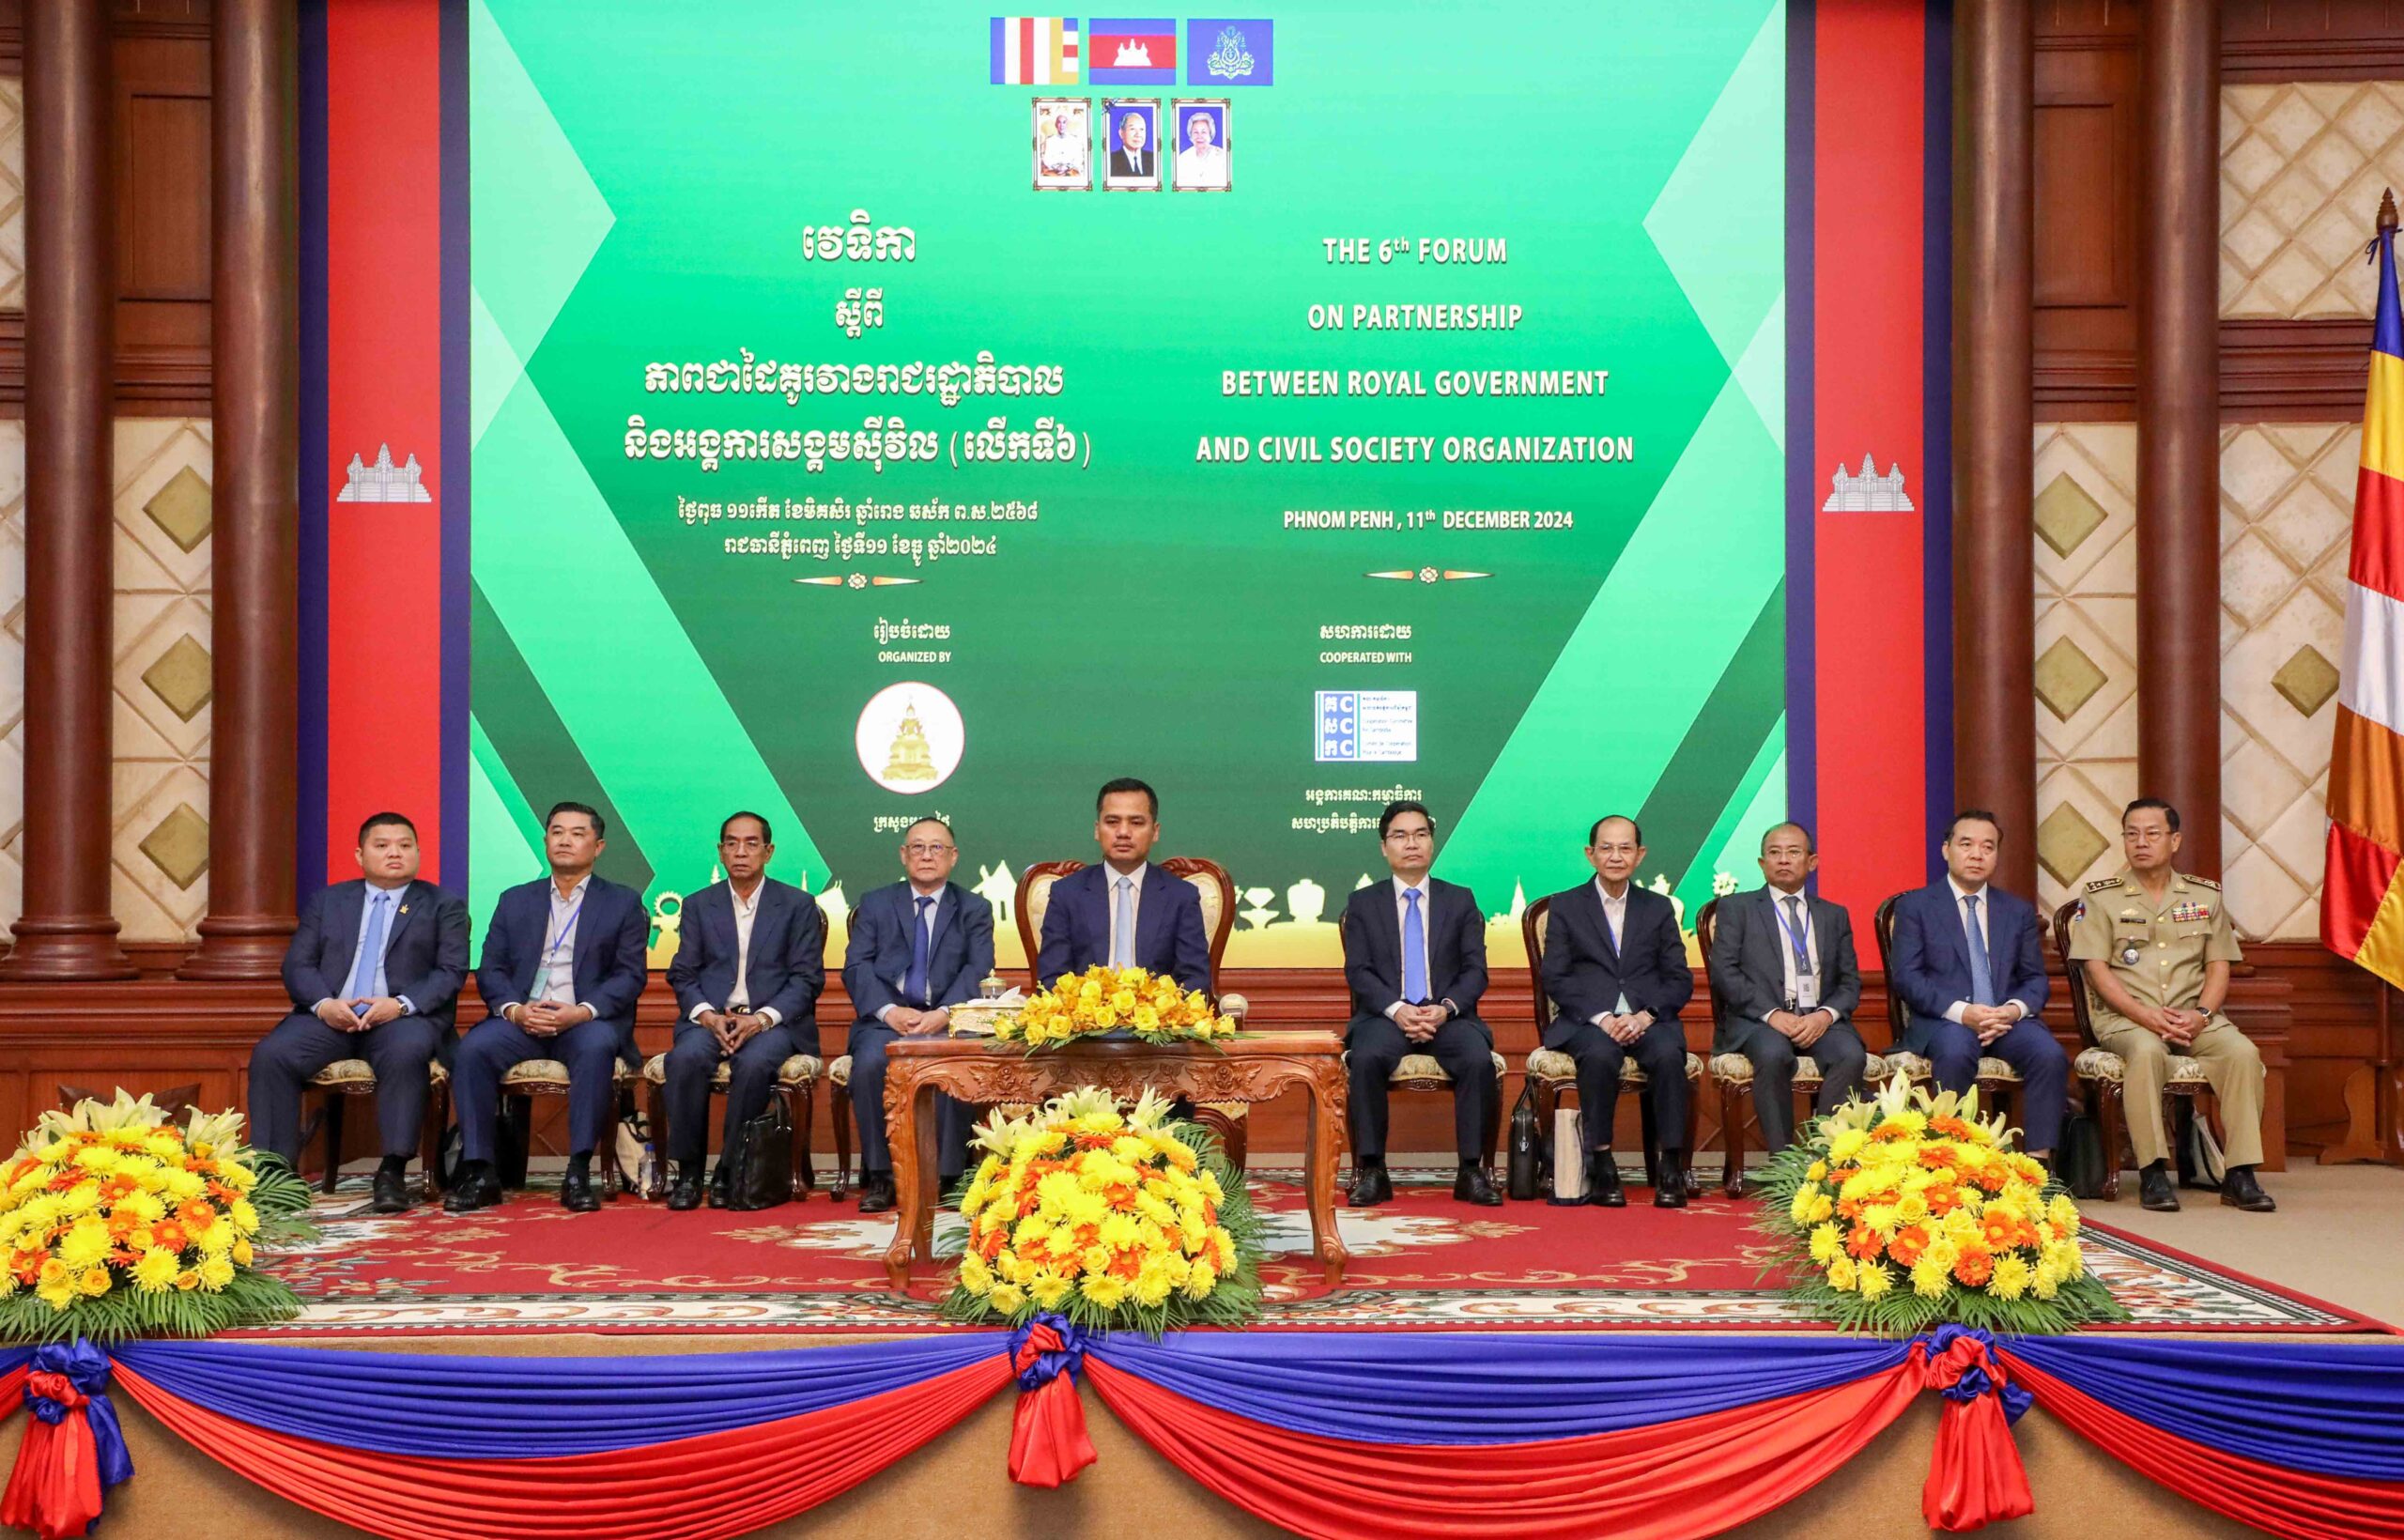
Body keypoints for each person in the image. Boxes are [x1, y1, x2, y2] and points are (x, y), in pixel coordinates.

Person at [246, 813, 468, 1212]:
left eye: (405, 845)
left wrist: (399, 1004)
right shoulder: (329, 901)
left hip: (402, 1018)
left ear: (418, 853)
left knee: (406, 1051)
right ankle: (276, 1175)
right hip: (332, 1017)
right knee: (272, 1054)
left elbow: (450, 972)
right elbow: (298, 965)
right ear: (360, 855)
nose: (395, 853)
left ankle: (392, 1170)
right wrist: (325, 1005)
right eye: (382, 845)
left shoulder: (443, 905)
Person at [2068, 799, 2274, 1212]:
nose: (2140, 842)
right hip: (2127, 1019)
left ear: (2175, 840)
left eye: (2152, 834)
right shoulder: (2101, 897)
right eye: (2131, 834)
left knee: (2242, 1054)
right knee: (2147, 1052)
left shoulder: (2204, 895)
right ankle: (2153, 1172)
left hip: (2193, 1016)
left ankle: (2240, 1173)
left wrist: (2202, 1015)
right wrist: (2143, 1015)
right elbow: (2096, 970)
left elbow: (2219, 965)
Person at [446, 802, 650, 1214]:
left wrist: (582, 1011)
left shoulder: (622, 903)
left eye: (577, 833)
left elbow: (629, 976)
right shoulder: (515, 900)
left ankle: (578, 1171)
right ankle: (481, 1170)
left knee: (597, 1048)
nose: (565, 841)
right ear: (545, 841)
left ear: (599, 846)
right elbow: (492, 968)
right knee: (473, 1050)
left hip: (583, 1020)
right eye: (557, 832)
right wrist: (515, 1011)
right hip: (522, 1020)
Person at [658, 812, 826, 1210]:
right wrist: (708, 1016)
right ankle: (688, 1173)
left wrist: (761, 1019)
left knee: (753, 1064)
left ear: (768, 852)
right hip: (712, 1019)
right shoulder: (700, 904)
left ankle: (730, 1170)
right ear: (720, 851)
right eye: (731, 843)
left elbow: (807, 979)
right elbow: (683, 973)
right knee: (684, 1059)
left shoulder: (797, 905)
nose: (740, 852)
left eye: (751, 844)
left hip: (772, 1022)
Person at [1340, 799, 1500, 1208]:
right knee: (1367, 1057)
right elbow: (1359, 971)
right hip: (1387, 1016)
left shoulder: (1460, 900)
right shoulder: (1363, 903)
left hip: (1448, 1016)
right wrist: (1398, 1010)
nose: (1411, 844)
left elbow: (1475, 971)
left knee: (1477, 1058)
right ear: (1384, 847)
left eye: (1420, 834)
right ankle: (1372, 1170)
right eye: (1400, 836)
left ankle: (1471, 1171)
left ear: (1431, 842)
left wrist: (1445, 1008)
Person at [1887, 809, 2068, 1163]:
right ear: (1946, 850)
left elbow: (2035, 979)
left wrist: (2012, 1011)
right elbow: (1907, 977)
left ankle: (2038, 1163)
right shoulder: (1916, 907)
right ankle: (1953, 1159)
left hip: (2005, 1021)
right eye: (1966, 844)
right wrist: (1963, 1012)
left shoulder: (2016, 911)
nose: (1977, 854)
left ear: (1996, 855)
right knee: (1956, 1050)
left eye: (1988, 847)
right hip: (1945, 1021)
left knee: (2049, 1055)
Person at [1537, 816, 1693, 1208]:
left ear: (1640, 855)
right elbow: (1556, 976)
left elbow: (1678, 977)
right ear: (1590, 854)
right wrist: (1603, 1018)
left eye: (1625, 848)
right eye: (1606, 848)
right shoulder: (1566, 906)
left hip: (1647, 1019)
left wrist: (1645, 1016)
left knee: (1667, 1054)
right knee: (1599, 1055)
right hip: (1588, 1020)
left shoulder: (1658, 907)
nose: (1616, 856)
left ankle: (1671, 1166)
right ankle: (1602, 1163)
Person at [842, 816, 995, 1214]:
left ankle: (947, 1176)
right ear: (903, 855)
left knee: (956, 1063)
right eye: (918, 847)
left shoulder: (973, 908)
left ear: (953, 856)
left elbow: (979, 968)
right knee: (871, 1063)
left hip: (949, 1020)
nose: (927, 856)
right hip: (886, 1020)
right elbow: (857, 966)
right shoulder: (875, 903)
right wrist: (890, 1011)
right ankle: (882, 1175)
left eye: (936, 848)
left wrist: (944, 1013)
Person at [1707, 822, 1868, 1155]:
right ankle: (1783, 1161)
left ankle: (1823, 1155)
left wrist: (1824, 1016)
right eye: (1774, 853)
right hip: (1759, 1021)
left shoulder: (1834, 915)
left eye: (1793, 852)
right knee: (1773, 1054)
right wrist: (1771, 1014)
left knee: (1850, 1055)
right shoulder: (1736, 908)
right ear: (1761, 863)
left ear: (1812, 862)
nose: (1783, 860)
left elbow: (1849, 981)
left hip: (1819, 1020)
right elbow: (1724, 972)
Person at [1036, 778, 1210, 992]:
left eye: (1136, 823)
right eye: (1112, 822)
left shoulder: (1181, 896)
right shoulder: (1067, 893)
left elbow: (1195, 979)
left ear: (1155, 831)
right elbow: (1052, 977)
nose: (1123, 832)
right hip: (1085, 1011)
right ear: (1097, 829)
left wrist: (1156, 1005)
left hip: (1156, 1011)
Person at [1175, 108, 1227, 188]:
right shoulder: (1182, 159)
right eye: (1196, 132)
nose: (1199, 136)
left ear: (1210, 134)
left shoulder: (1222, 156)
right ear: (1191, 135)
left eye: (1203, 132)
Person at [1109, 109, 1153, 178]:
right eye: (1132, 129)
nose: (1138, 134)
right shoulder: (1111, 160)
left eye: (1141, 129)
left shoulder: (1153, 158)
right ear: (1121, 133)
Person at [1040, 111, 1085, 177]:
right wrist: (1057, 167)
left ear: (1067, 124)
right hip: (1053, 170)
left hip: (1071, 170)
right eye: (1059, 122)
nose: (1061, 125)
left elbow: (1079, 158)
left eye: (1064, 122)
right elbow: (1046, 158)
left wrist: (1067, 167)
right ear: (1056, 125)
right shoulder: (1050, 140)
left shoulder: (1074, 140)